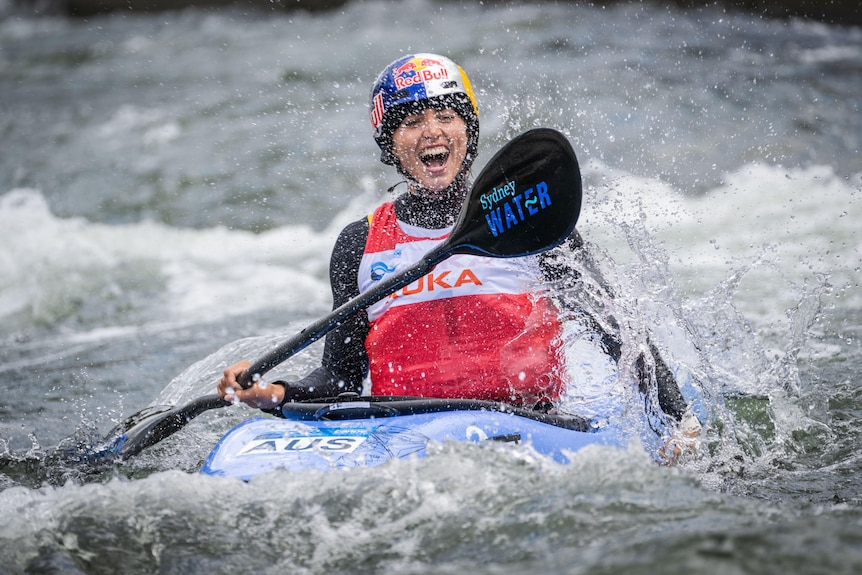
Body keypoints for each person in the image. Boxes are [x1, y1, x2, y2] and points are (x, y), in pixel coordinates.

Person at [217, 53, 698, 459]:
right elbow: (340, 377)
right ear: (390, 143)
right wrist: (275, 392)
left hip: (529, 425)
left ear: (467, 129)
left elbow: (617, 334)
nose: (432, 132)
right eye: (412, 122)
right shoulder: (358, 245)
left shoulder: (528, 219)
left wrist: (680, 421)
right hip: (401, 432)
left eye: (446, 116)